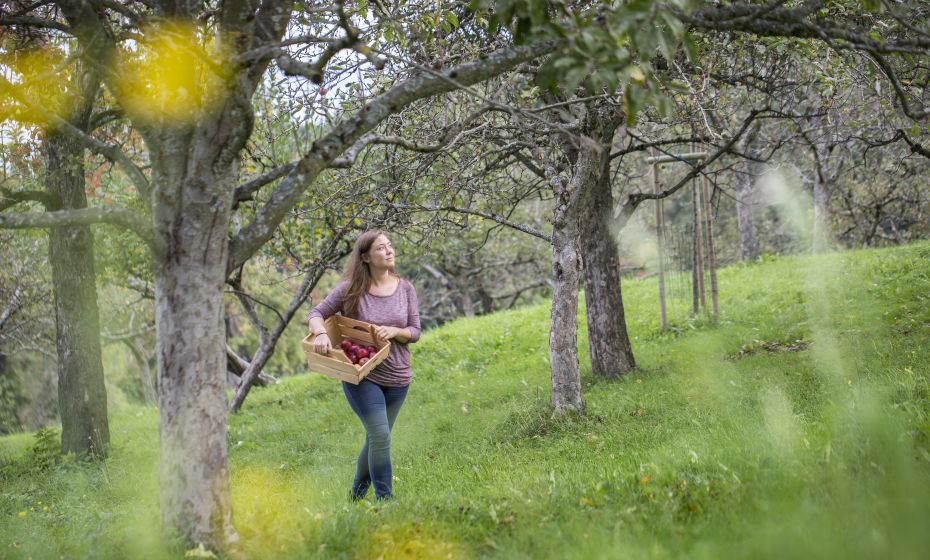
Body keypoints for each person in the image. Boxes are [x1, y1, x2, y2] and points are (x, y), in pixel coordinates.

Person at [307, 230, 420, 501]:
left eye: (390, 245)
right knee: (380, 436)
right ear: (366, 257)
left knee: (375, 439)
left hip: (398, 377)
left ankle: (355, 498)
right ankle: (386, 502)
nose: (389, 250)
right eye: (381, 248)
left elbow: (415, 331)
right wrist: (321, 334)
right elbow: (316, 314)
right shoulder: (350, 290)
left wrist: (394, 332)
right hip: (363, 376)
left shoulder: (405, 288)